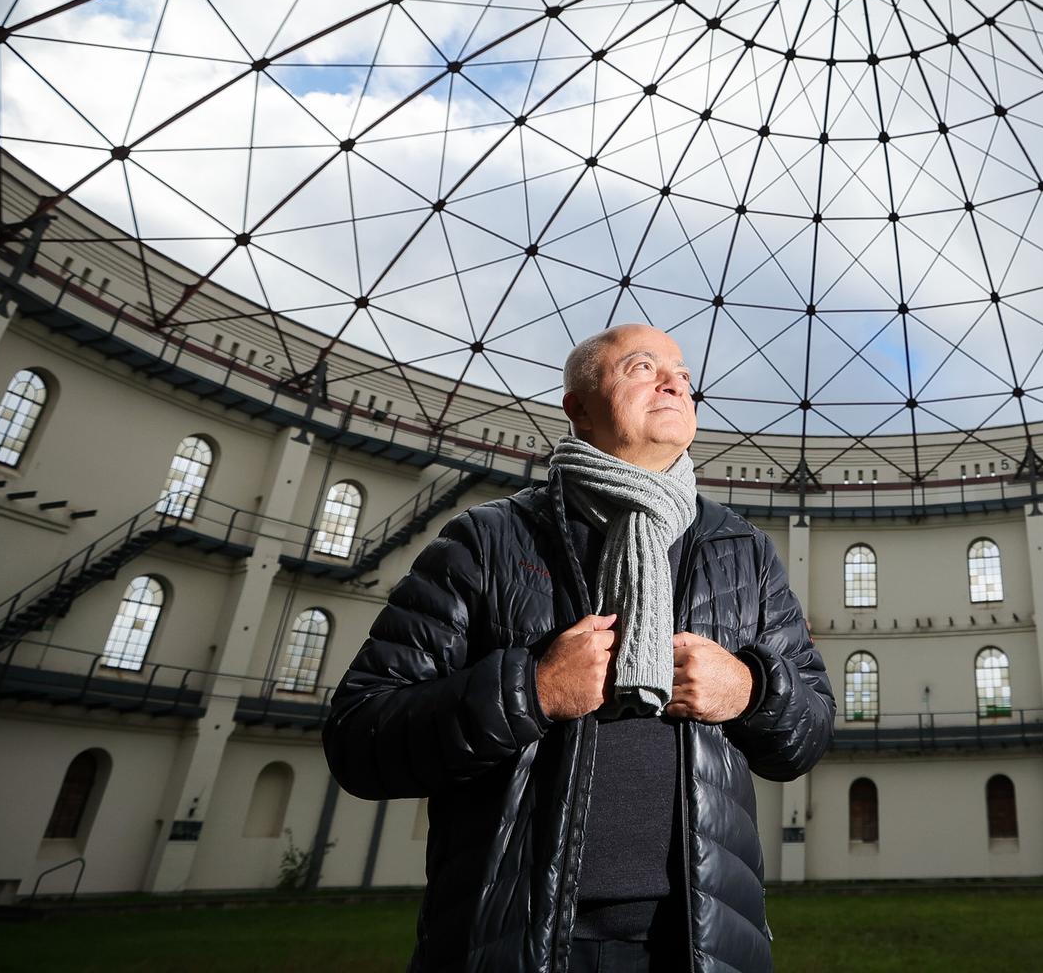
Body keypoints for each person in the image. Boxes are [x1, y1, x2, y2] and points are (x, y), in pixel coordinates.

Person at [323, 323, 835, 972]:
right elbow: (360, 738)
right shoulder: (487, 541)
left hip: (697, 944)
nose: (675, 382)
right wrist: (531, 691)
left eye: (682, 373)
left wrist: (751, 691)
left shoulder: (744, 553)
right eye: (643, 367)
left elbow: (809, 732)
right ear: (579, 409)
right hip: (515, 943)